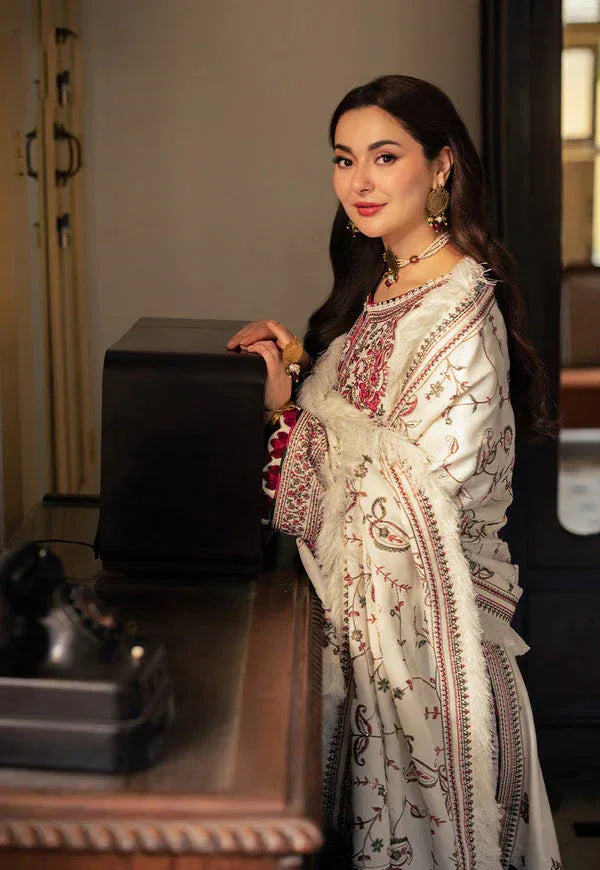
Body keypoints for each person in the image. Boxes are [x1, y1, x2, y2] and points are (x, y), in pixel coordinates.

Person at [227, 75, 562, 870]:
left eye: (385, 156)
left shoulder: (461, 311)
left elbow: (408, 508)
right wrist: (288, 379)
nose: (360, 182)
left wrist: (290, 419)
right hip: (363, 650)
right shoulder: (377, 286)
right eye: (344, 160)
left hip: (437, 663)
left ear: (441, 166)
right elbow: (364, 437)